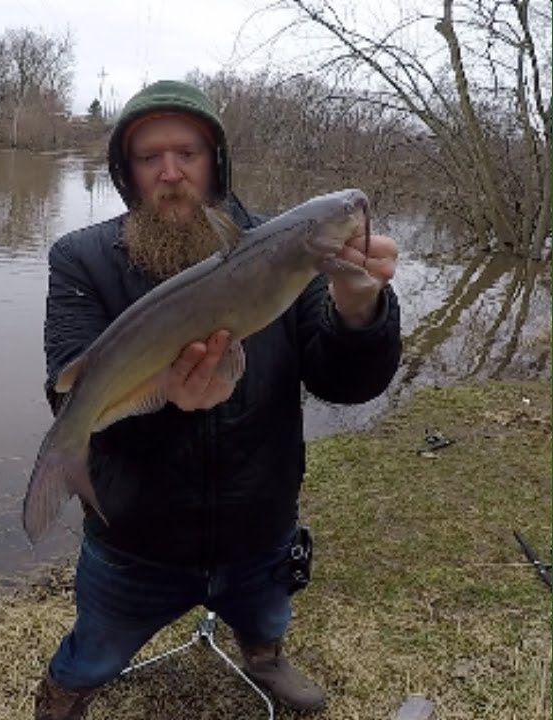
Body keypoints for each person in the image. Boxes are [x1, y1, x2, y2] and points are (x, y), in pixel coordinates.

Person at [33, 80, 402, 719]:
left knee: (265, 616)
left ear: (218, 160)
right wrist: (164, 398)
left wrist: (360, 305)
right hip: (134, 536)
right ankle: (70, 687)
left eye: (188, 153)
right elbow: (64, 382)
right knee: (93, 648)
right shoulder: (81, 258)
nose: (171, 174)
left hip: (259, 526)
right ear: (126, 171)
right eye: (149, 158)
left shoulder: (293, 250)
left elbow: (347, 384)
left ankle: (264, 658)